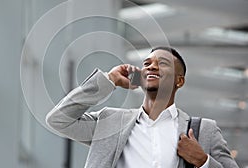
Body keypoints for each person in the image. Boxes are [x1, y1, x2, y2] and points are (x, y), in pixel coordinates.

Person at [46, 46, 239, 168]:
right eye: (147, 63)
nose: (151, 66)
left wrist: (203, 161)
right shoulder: (110, 122)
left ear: (179, 81)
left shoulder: (204, 131)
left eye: (162, 64)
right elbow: (59, 119)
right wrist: (109, 80)